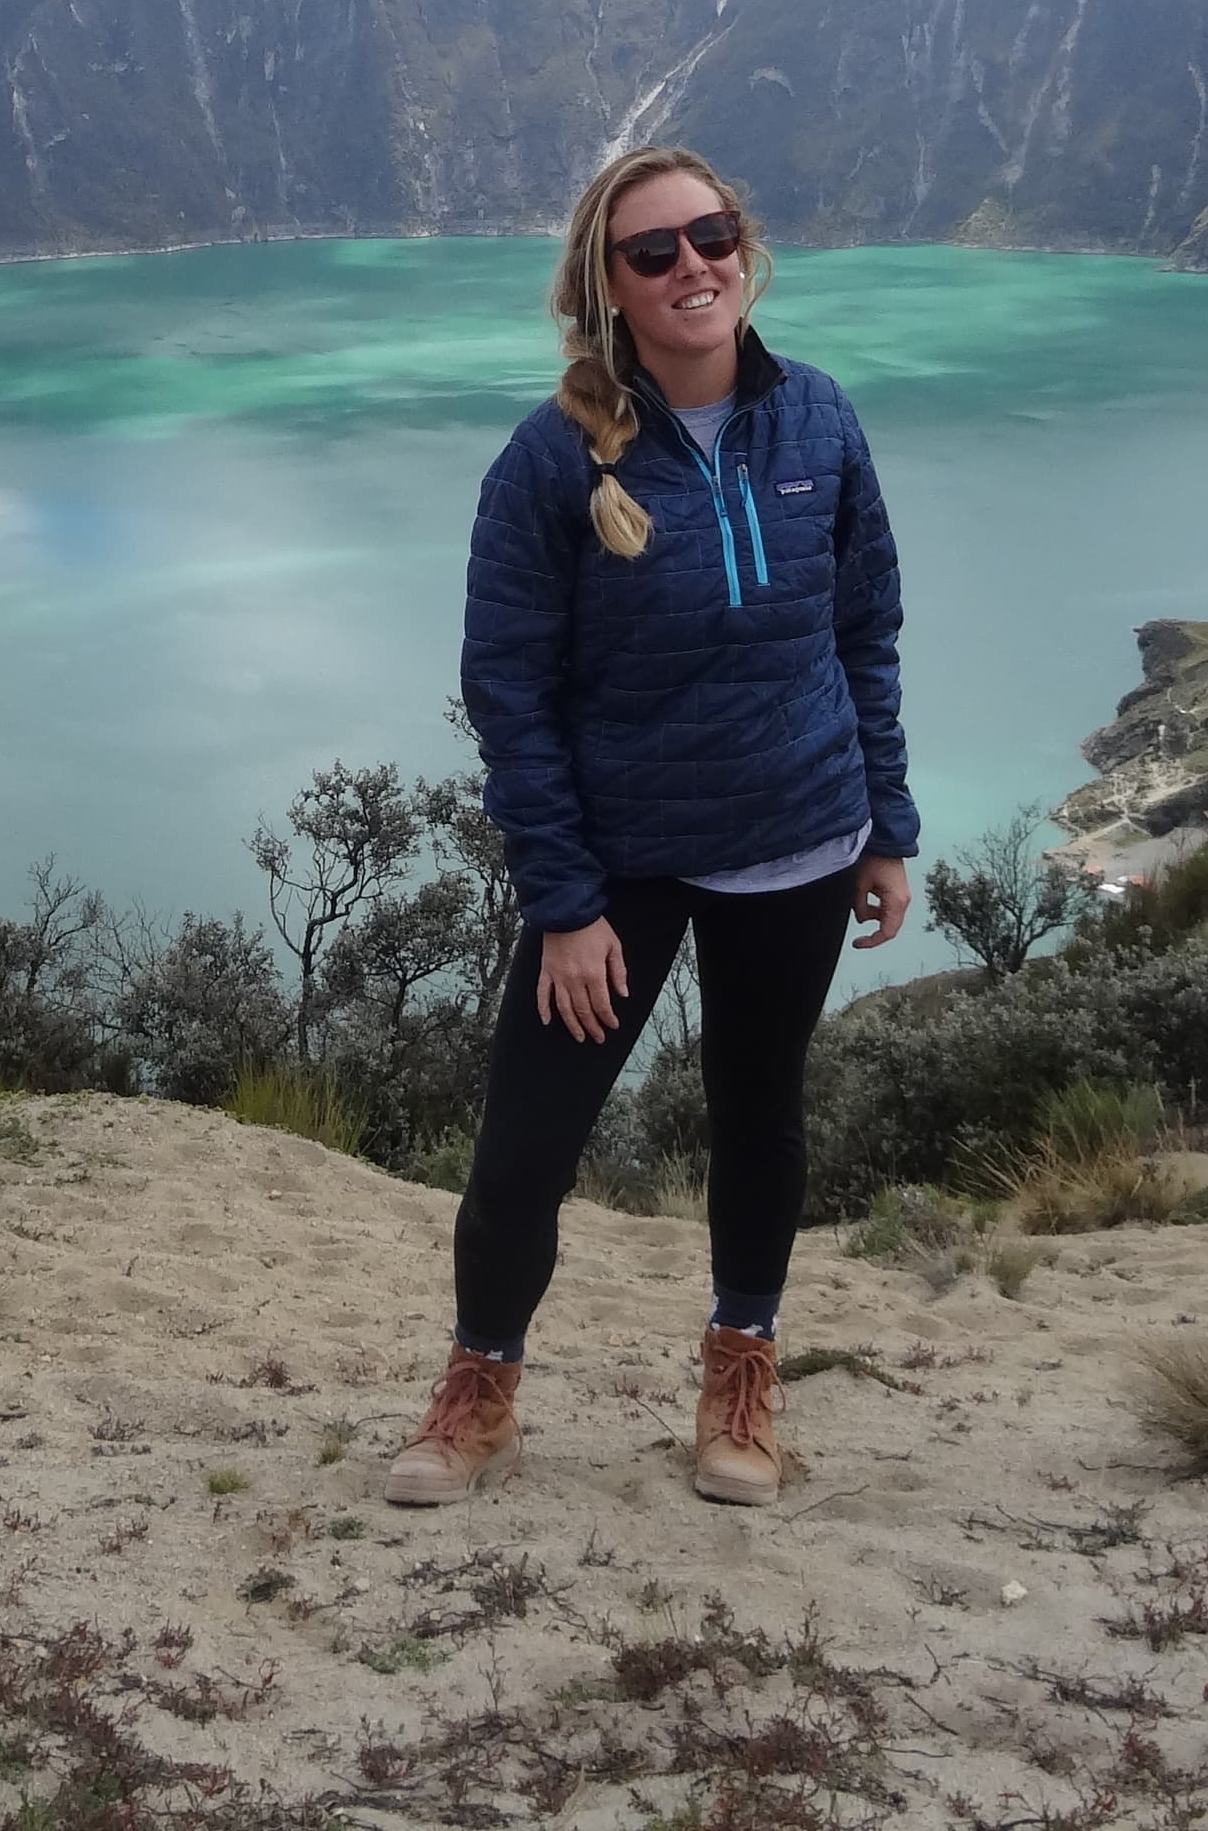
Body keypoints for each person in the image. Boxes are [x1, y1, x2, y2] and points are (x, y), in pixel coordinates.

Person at [388, 143, 914, 1510]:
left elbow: (865, 634)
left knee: (758, 1119)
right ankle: (480, 1389)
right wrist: (565, 902)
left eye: (713, 235)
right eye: (654, 251)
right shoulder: (549, 460)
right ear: (606, 289)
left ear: (747, 250)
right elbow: (509, 691)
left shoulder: (822, 424)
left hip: (797, 838)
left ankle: (743, 1374)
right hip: (618, 864)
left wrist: (886, 823)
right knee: (527, 1147)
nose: (694, 266)